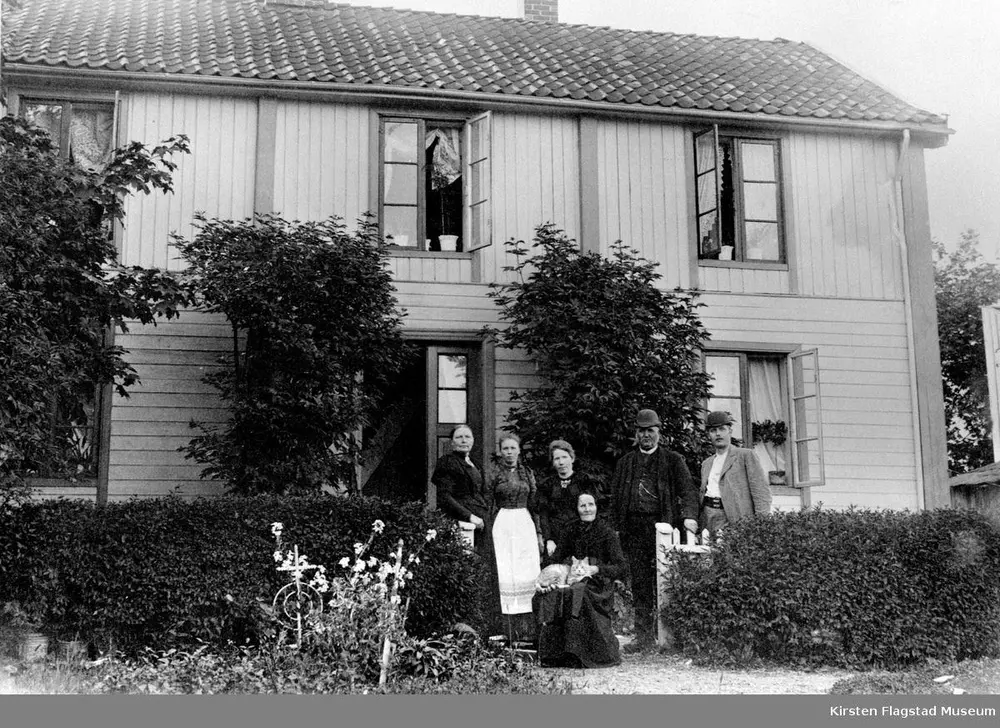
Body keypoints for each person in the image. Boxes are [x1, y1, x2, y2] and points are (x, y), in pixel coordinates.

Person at [611, 408, 699, 653]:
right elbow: (616, 499)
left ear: (658, 432)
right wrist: (617, 529)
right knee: (640, 583)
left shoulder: (672, 460)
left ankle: (669, 637)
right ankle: (644, 637)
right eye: (641, 431)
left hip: (663, 528)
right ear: (636, 434)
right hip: (634, 530)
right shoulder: (625, 463)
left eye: (650, 430)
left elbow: (688, 492)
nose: (646, 435)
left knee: (666, 581)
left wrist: (690, 517)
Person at [533, 492, 627, 668]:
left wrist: (597, 569)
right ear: (577, 509)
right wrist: (542, 575)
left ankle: (584, 654)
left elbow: (620, 567)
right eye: (582, 506)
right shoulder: (571, 529)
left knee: (579, 594)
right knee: (557, 593)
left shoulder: (606, 532)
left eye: (590, 504)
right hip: (573, 576)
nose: (587, 509)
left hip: (598, 582)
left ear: (596, 507)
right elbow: (558, 556)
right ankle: (558, 655)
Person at [430, 424, 501, 633]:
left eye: (467, 436)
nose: (463, 440)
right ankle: (463, 626)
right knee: (466, 569)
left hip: (480, 523)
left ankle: (483, 626)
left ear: (472, 440)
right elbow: (445, 497)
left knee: (483, 569)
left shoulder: (472, 463)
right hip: (462, 523)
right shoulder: (447, 463)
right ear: (452, 442)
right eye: (459, 437)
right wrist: (469, 516)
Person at [488, 433, 542, 642]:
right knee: (505, 571)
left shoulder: (527, 473)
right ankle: (507, 630)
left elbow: (535, 505)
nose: (509, 453)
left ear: (519, 450)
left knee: (526, 570)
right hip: (503, 523)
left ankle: (529, 629)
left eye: (513, 448)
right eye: (505, 449)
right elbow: (488, 502)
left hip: (524, 523)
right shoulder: (494, 474)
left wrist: (538, 532)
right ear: (501, 452)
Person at [700, 410, 772, 539]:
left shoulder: (745, 456)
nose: (718, 434)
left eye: (722, 429)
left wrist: (762, 524)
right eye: (713, 431)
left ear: (730, 431)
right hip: (709, 516)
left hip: (734, 517)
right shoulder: (707, 463)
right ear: (708, 435)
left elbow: (761, 492)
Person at [536, 440, 602, 564]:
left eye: (564, 457)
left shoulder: (584, 481)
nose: (561, 462)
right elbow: (544, 515)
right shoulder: (547, 485)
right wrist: (548, 540)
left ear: (572, 458)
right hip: (556, 538)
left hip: (581, 536)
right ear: (553, 462)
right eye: (557, 459)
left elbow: (593, 512)